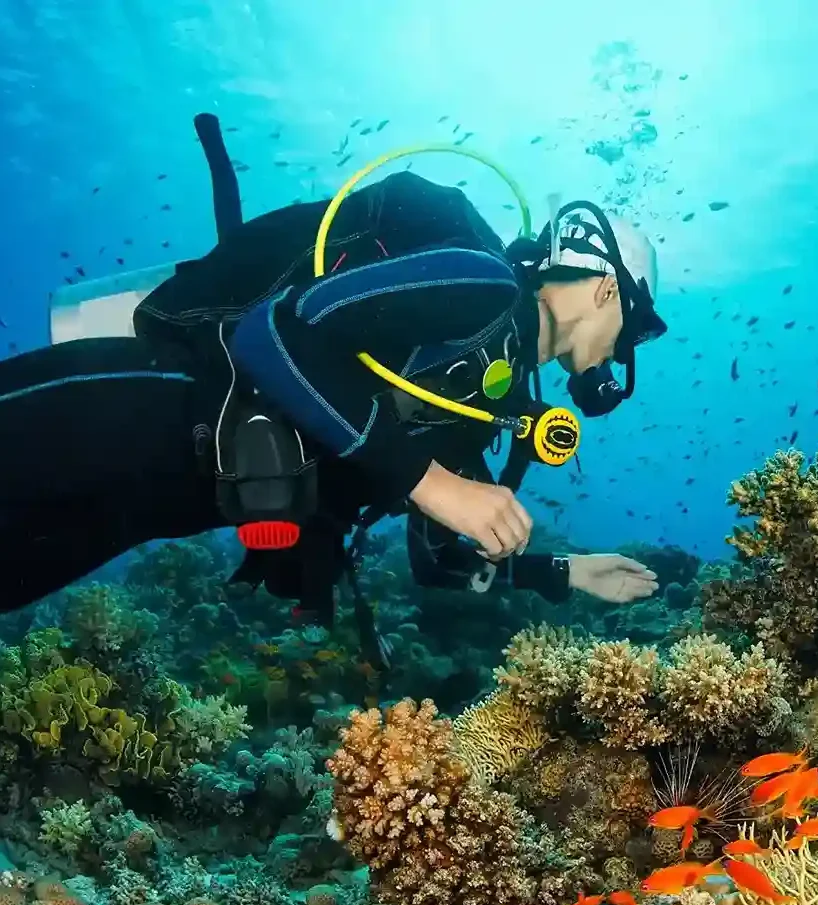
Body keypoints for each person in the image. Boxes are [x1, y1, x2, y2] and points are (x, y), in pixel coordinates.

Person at [0, 117, 667, 665]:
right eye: (630, 331)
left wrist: (560, 572)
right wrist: (431, 482)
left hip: (155, 505)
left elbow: (437, 558)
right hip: (147, 401)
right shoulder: (482, 283)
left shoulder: (489, 394)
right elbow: (276, 333)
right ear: (607, 288)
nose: (620, 352)